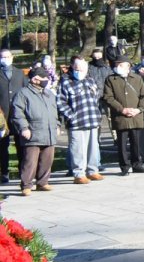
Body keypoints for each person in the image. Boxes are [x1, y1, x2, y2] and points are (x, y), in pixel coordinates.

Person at [56, 55, 105, 184]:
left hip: (92, 119)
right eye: (78, 67)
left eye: (83, 67)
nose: (81, 70)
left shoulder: (90, 80)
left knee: (93, 147)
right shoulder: (66, 81)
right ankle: (79, 173)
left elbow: (96, 97)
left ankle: (93, 170)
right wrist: (71, 116)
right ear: (72, 66)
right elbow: (60, 102)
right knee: (77, 148)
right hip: (76, 122)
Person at [10, 65, 57, 196]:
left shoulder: (49, 94)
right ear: (35, 79)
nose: (46, 80)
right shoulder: (23, 93)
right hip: (32, 132)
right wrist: (23, 128)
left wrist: (57, 125)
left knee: (47, 159)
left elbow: (54, 112)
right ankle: (26, 185)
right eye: (44, 78)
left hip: (49, 131)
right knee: (30, 161)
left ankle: (43, 182)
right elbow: (17, 113)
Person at [101, 57, 144, 175]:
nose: (118, 67)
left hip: (135, 115)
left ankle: (137, 164)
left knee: (136, 142)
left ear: (128, 67)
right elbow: (108, 97)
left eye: (121, 65)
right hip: (120, 116)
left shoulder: (137, 78)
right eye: (117, 65)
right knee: (122, 143)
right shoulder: (111, 79)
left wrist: (138, 109)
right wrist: (122, 109)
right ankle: (124, 166)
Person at [0, 48, 26, 184]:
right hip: (1, 117)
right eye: (2, 57)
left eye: (7, 56)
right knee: (2, 147)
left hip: (17, 115)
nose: (5, 59)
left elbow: (25, 91)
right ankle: (4, 172)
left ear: (12, 57)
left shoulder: (19, 73)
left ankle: (24, 172)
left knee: (20, 145)